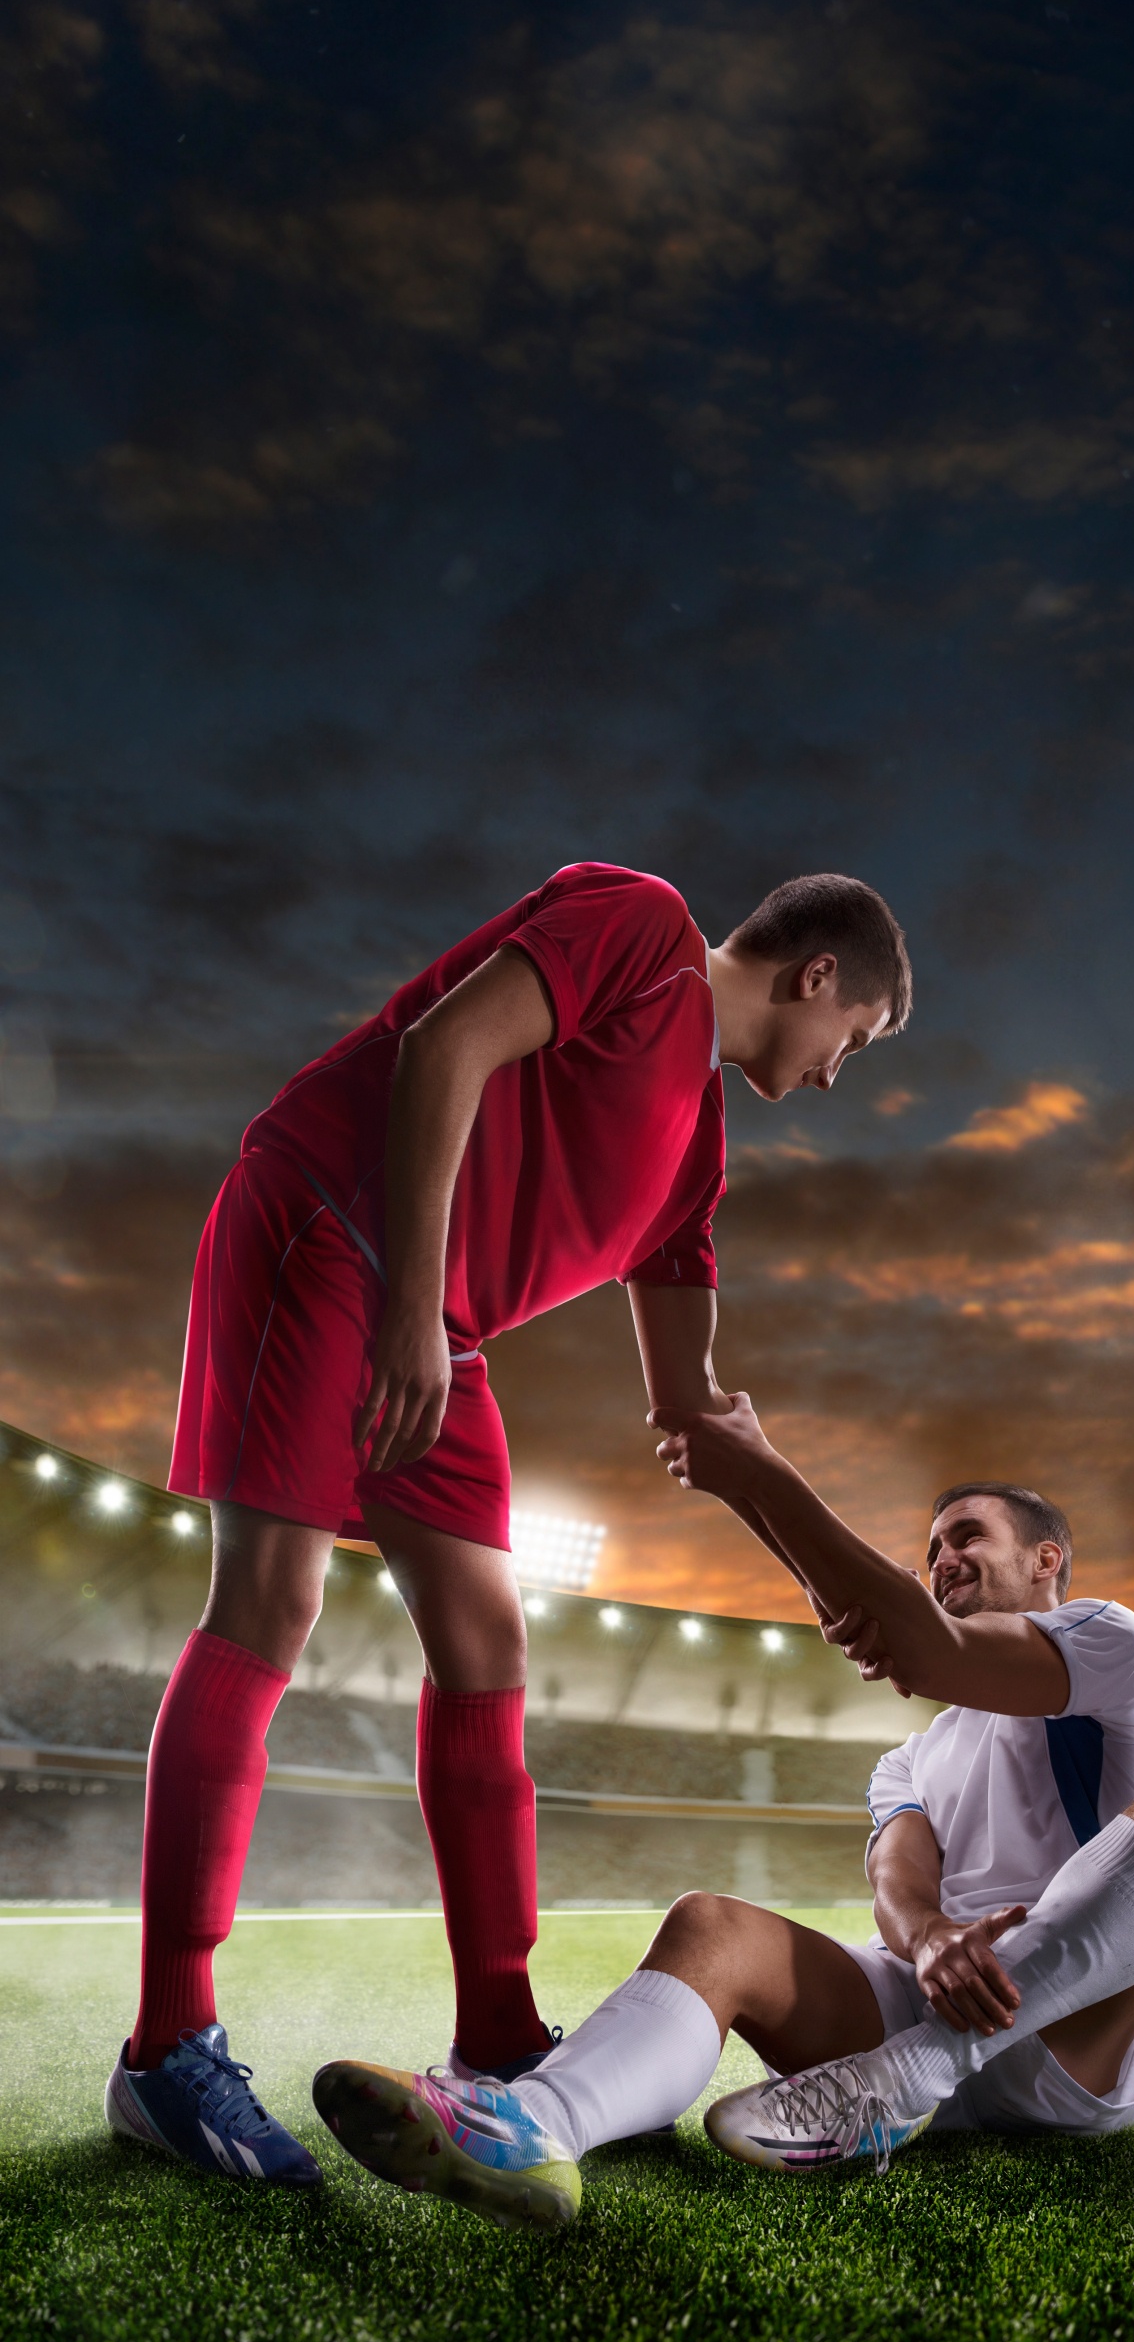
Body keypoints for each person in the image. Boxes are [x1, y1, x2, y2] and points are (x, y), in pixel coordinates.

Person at [105, 865, 911, 2184]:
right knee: (270, 1601)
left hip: (439, 1325)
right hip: (329, 1227)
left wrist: (822, 1579)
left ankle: (495, 2036)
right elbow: (444, 1046)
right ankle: (164, 2050)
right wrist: (411, 1309)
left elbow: (690, 1410)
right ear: (816, 974)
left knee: (488, 1641)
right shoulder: (642, 927)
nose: (836, 1072)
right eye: (855, 1039)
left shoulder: (697, 1151)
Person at [311, 1417, 1134, 2228]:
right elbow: (898, 1878)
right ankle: (537, 2128)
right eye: (931, 1551)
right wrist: (929, 1940)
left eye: (968, 1535)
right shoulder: (910, 1759)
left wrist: (759, 1472)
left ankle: (908, 2077)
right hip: (934, 1995)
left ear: (1047, 1561)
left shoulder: (1110, 1643)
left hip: (1068, 2037)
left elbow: (928, 1648)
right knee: (710, 1925)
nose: (943, 1559)